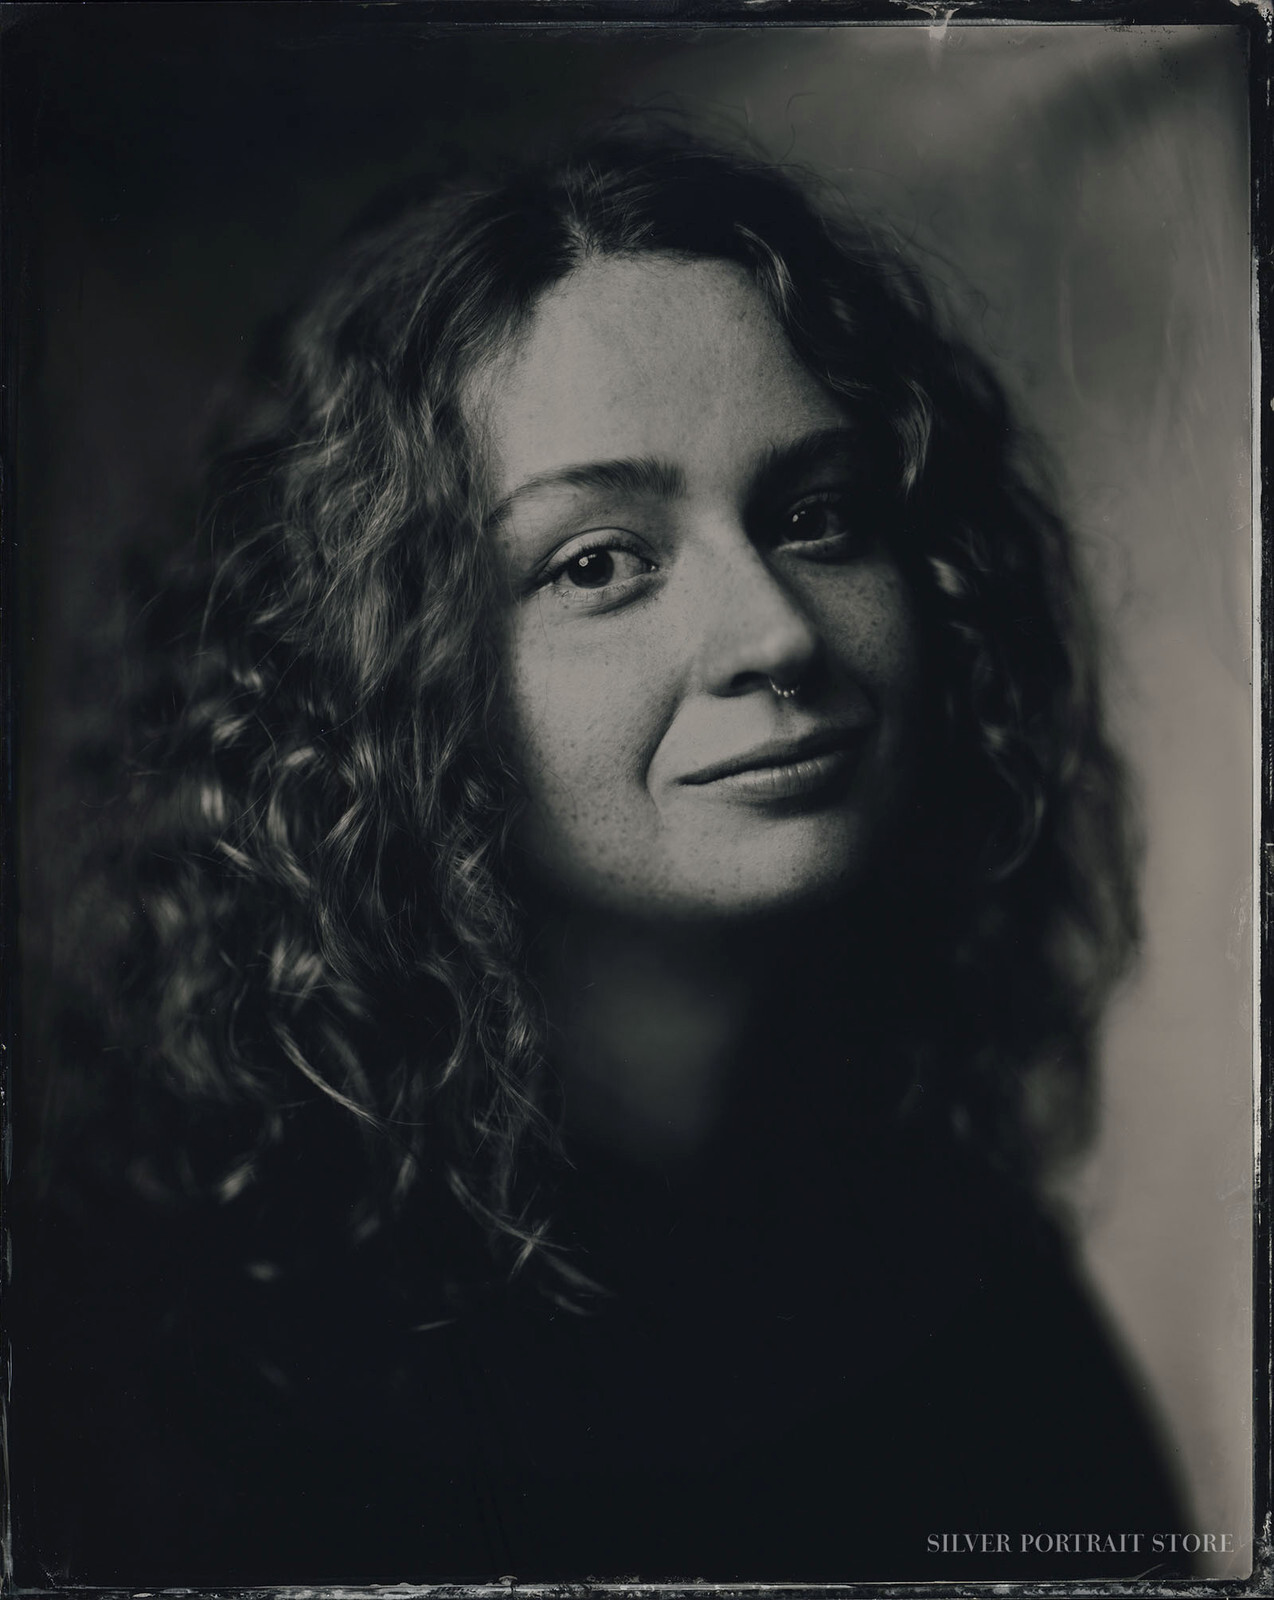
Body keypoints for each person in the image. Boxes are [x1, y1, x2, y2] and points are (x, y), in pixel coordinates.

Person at [18, 127, 1190, 1584]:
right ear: (381, 672)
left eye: (815, 516)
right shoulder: (179, 1335)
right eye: (594, 563)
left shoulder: (962, 1268)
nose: (773, 633)